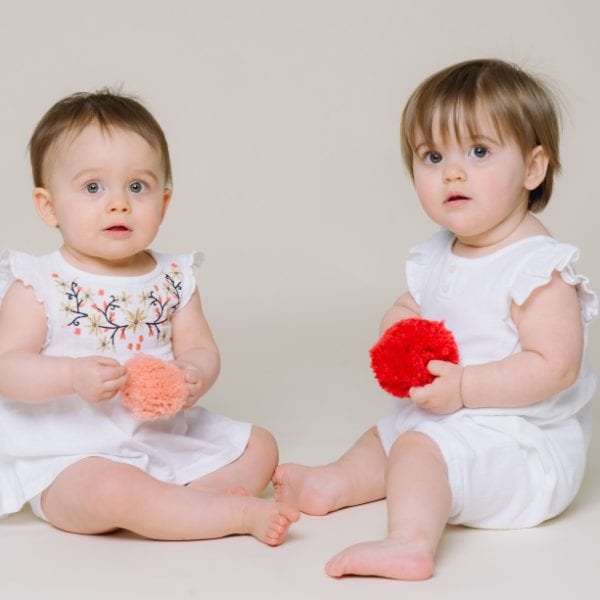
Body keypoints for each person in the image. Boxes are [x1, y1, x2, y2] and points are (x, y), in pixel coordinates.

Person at [273, 58, 598, 579]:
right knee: (389, 435)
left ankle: (409, 540)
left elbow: (554, 366)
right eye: (431, 156)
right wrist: (396, 331)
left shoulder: (537, 267)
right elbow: (412, 305)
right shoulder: (441, 253)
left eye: (479, 152)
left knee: (419, 448)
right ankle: (334, 482)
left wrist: (466, 387)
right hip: (457, 416)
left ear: (533, 169)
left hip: (521, 446)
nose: (452, 171)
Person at [0, 89, 299, 544]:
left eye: (137, 187)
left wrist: (194, 373)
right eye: (93, 187)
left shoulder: (172, 278)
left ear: (164, 201)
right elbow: (7, 366)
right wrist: (70, 375)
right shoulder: (40, 283)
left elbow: (199, 348)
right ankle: (230, 514)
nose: (118, 203)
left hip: (158, 435)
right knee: (109, 489)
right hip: (73, 455)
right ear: (48, 206)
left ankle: (183, 505)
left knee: (261, 446)